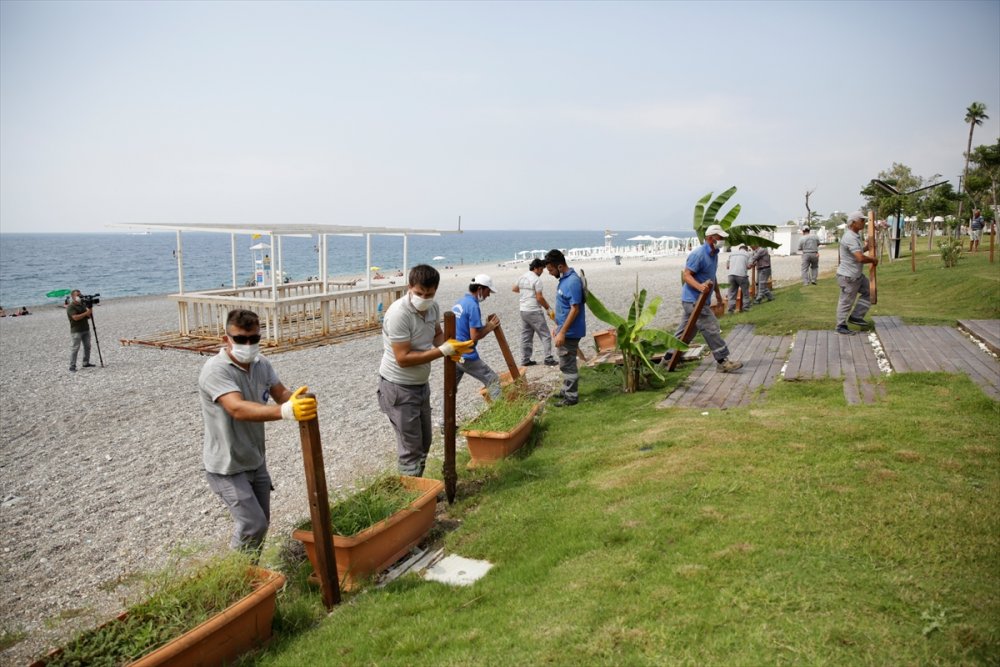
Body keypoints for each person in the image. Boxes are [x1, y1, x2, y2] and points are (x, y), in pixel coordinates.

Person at [198, 308, 317, 553]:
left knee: (262, 522)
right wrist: (285, 412)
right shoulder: (215, 370)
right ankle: (235, 578)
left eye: (254, 339)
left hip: (255, 459)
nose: (248, 344)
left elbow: (280, 393)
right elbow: (237, 408)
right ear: (226, 339)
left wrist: (296, 398)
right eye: (241, 339)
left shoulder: (261, 364)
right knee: (252, 524)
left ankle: (252, 574)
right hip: (227, 466)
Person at [379, 264, 473, 477]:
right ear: (409, 287)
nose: (423, 297)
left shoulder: (432, 307)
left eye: (429, 294)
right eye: (419, 293)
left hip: (421, 385)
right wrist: (443, 351)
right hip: (398, 387)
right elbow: (402, 359)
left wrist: (453, 348)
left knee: (425, 442)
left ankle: (419, 489)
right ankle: (410, 498)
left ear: (435, 290)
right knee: (410, 447)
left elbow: (436, 334)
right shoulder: (398, 314)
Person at [667, 225, 743, 373]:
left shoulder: (714, 254)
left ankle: (668, 358)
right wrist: (700, 287)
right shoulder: (698, 254)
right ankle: (722, 361)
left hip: (700, 300)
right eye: (719, 237)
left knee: (685, 332)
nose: (722, 240)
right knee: (711, 326)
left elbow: (711, 276)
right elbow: (687, 275)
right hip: (693, 300)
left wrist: (718, 295)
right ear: (710, 238)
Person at [544, 249, 587, 406]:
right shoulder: (564, 279)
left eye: (550, 270)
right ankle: (565, 390)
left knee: (567, 364)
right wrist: (558, 327)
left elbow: (574, 309)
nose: (549, 273)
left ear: (560, 266)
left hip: (570, 331)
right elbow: (564, 307)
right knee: (565, 361)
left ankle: (571, 397)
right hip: (564, 329)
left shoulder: (572, 282)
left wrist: (562, 332)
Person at [452, 274, 502, 400]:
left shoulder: (460, 302)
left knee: (450, 388)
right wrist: (489, 327)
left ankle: (447, 418)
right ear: (480, 288)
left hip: (453, 351)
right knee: (493, 379)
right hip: (466, 354)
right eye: (488, 291)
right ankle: (503, 411)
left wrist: (485, 326)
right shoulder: (473, 306)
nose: (488, 295)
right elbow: (474, 336)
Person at [835, 211, 879, 335]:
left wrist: (867, 248)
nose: (864, 223)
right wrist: (873, 259)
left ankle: (856, 316)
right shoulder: (850, 237)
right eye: (862, 220)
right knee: (846, 302)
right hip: (848, 277)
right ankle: (840, 326)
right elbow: (860, 258)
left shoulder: (854, 236)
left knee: (871, 291)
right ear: (853, 222)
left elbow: (856, 253)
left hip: (856, 276)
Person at [512, 258, 557, 367]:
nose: (542, 272)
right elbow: (539, 298)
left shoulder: (522, 276)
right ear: (536, 268)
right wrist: (548, 309)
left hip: (523, 310)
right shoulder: (536, 280)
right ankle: (548, 358)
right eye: (541, 269)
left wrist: (525, 293)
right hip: (534, 311)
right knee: (545, 334)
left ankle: (525, 359)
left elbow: (514, 288)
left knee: (526, 335)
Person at [66, 290, 96, 372]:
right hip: (76, 330)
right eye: (78, 295)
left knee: (87, 346)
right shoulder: (70, 307)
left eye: (80, 295)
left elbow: (89, 316)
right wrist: (86, 313)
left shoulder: (82, 305)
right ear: (73, 297)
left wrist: (90, 308)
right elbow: (75, 318)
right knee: (75, 348)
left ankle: (86, 362)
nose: (80, 296)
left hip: (86, 328)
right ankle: (72, 366)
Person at [725, 244, 752, 313]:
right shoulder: (748, 254)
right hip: (742, 275)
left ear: (739, 249)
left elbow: (727, 266)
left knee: (732, 293)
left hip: (731, 275)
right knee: (745, 292)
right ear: (746, 249)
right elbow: (749, 266)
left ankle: (730, 310)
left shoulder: (732, 253)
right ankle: (746, 308)